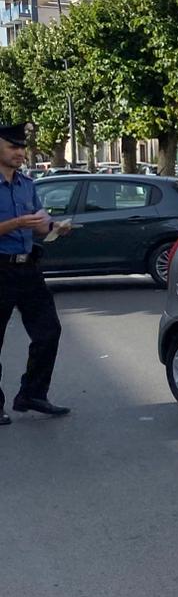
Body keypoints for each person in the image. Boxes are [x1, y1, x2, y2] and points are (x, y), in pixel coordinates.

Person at [0, 123, 73, 425]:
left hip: (28, 268)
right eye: (12, 147)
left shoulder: (27, 184)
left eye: (22, 147)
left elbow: (40, 224)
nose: (20, 152)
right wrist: (17, 223)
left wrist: (55, 228)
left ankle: (32, 393)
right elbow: (22, 222)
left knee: (48, 331)